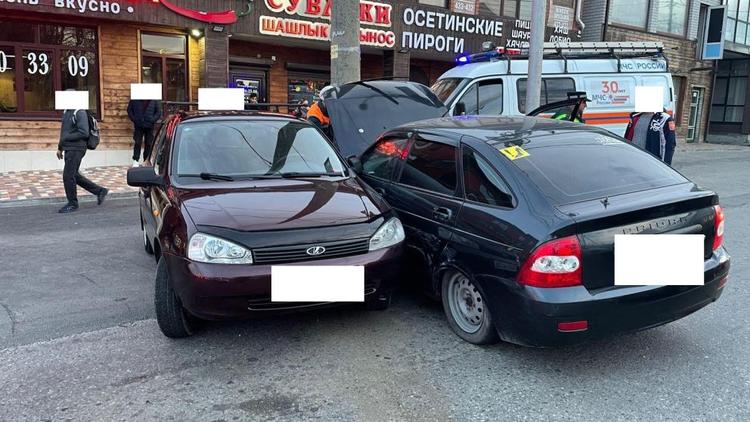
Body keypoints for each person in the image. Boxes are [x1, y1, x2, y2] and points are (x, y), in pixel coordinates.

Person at [56, 109, 108, 214]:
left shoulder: (79, 112)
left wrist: (67, 137)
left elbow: (83, 132)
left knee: (68, 176)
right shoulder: (67, 112)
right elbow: (64, 132)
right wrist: (60, 147)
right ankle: (100, 191)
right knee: (73, 175)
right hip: (69, 148)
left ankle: (72, 204)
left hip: (77, 148)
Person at [127, 99, 161, 167]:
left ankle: (146, 160)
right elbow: (129, 110)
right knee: (137, 142)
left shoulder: (154, 100)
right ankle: (136, 160)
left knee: (148, 143)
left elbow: (158, 112)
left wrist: (152, 120)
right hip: (138, 125)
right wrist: (135, 119)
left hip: (149, 125)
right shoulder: (135, 99)